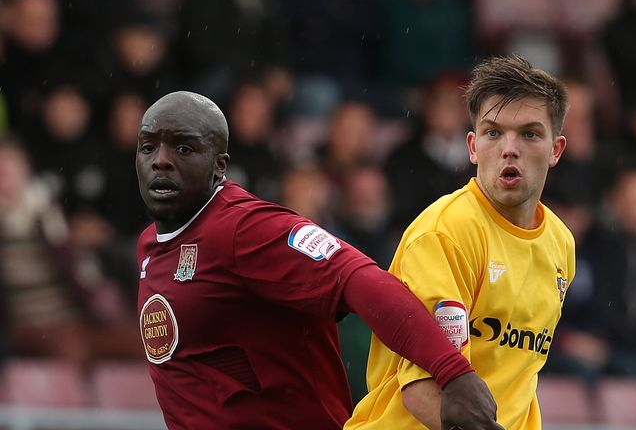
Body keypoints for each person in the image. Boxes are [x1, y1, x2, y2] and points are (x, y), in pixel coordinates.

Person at [134, 91, 503, 430]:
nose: (161, 161)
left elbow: (360, 279)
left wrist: (452, 372)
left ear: (220, 166)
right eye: (148, 147)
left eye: (184, 149)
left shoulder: (245, 229)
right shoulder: (150, 246)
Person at [345, 55, 576, 429]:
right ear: (472, 146)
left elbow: (517, 373)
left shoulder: (561, 243)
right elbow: (425, 390)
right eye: (493, 132)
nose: (509, 148)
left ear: (556, 150)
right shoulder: (444, 233)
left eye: (530, 134)